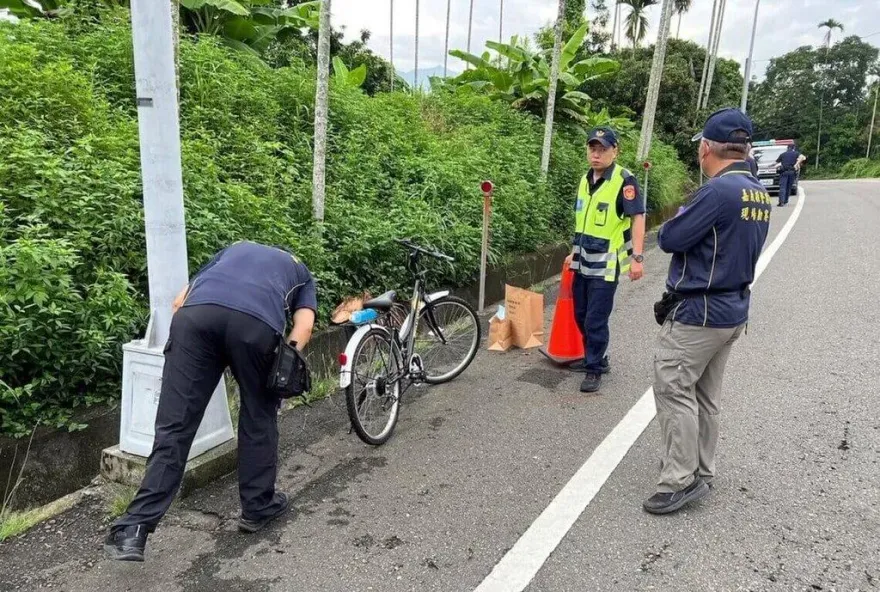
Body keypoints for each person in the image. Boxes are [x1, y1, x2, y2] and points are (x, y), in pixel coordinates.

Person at [104, 241, 317, 561]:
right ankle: (257, 507)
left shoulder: (231, 251)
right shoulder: (301, 271)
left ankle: (133, 530)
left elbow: (179, 301)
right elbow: (305, 325)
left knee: (175, 426)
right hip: (255, 325)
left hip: (195, 318)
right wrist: (284, 364)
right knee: (258, 415)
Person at [643, 108, 770, 515]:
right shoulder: (756, 190)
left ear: (706, 148)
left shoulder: (717, 191)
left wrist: (678, 219)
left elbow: (670, 237)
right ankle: (702, 469)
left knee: (674, 389)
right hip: (733, 311)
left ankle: (678, 480)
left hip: (699, 314)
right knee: (705, 394)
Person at [564, 126, 646, 393]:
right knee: (580, 314)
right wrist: (573, 250)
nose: (596, 154)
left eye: (602, 149)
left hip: (607, 264)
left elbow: (638, 217)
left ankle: (595, 368)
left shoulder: (625, 180)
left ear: (615, 151)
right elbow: (582, 221)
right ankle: (594, 356)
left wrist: (637, 257)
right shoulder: (584, 179)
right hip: (582, 260)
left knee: (595, 319)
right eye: (592, 149)